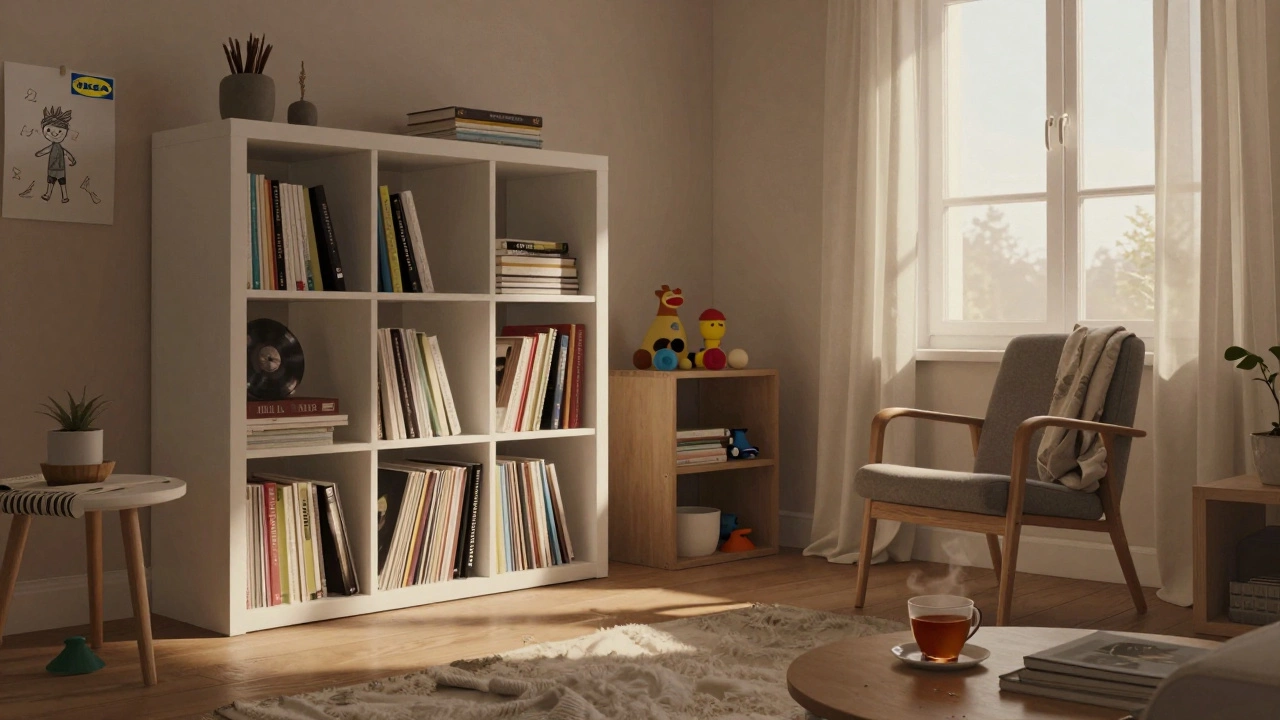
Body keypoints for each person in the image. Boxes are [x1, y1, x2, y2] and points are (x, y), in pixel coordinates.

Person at [35, 106, 76, 203]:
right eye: (49, 130)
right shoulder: (53, 147)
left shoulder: (59, 148)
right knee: (51, 182)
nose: (55, 134)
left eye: (60, 131)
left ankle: (64, 196)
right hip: (52, 168)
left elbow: (67, 153)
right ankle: (48, 194)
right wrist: (39, 153)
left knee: (62, 183)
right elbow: (44, 151)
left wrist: (73, 160)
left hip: (60, 169)